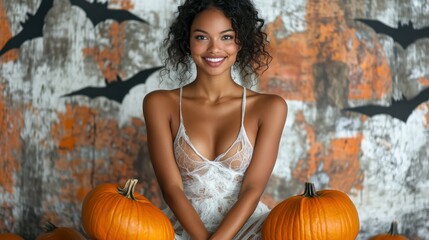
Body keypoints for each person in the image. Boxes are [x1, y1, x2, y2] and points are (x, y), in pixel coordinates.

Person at [142, 0, 287, 239]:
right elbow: (172, 189)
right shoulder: (159, 104)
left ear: (241, 41)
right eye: (201, 37)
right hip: (184, 229)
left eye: (226, 37)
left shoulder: (269, 108)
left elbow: (252, 189)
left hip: (247, 228)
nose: (214, 49)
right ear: (187, 41)